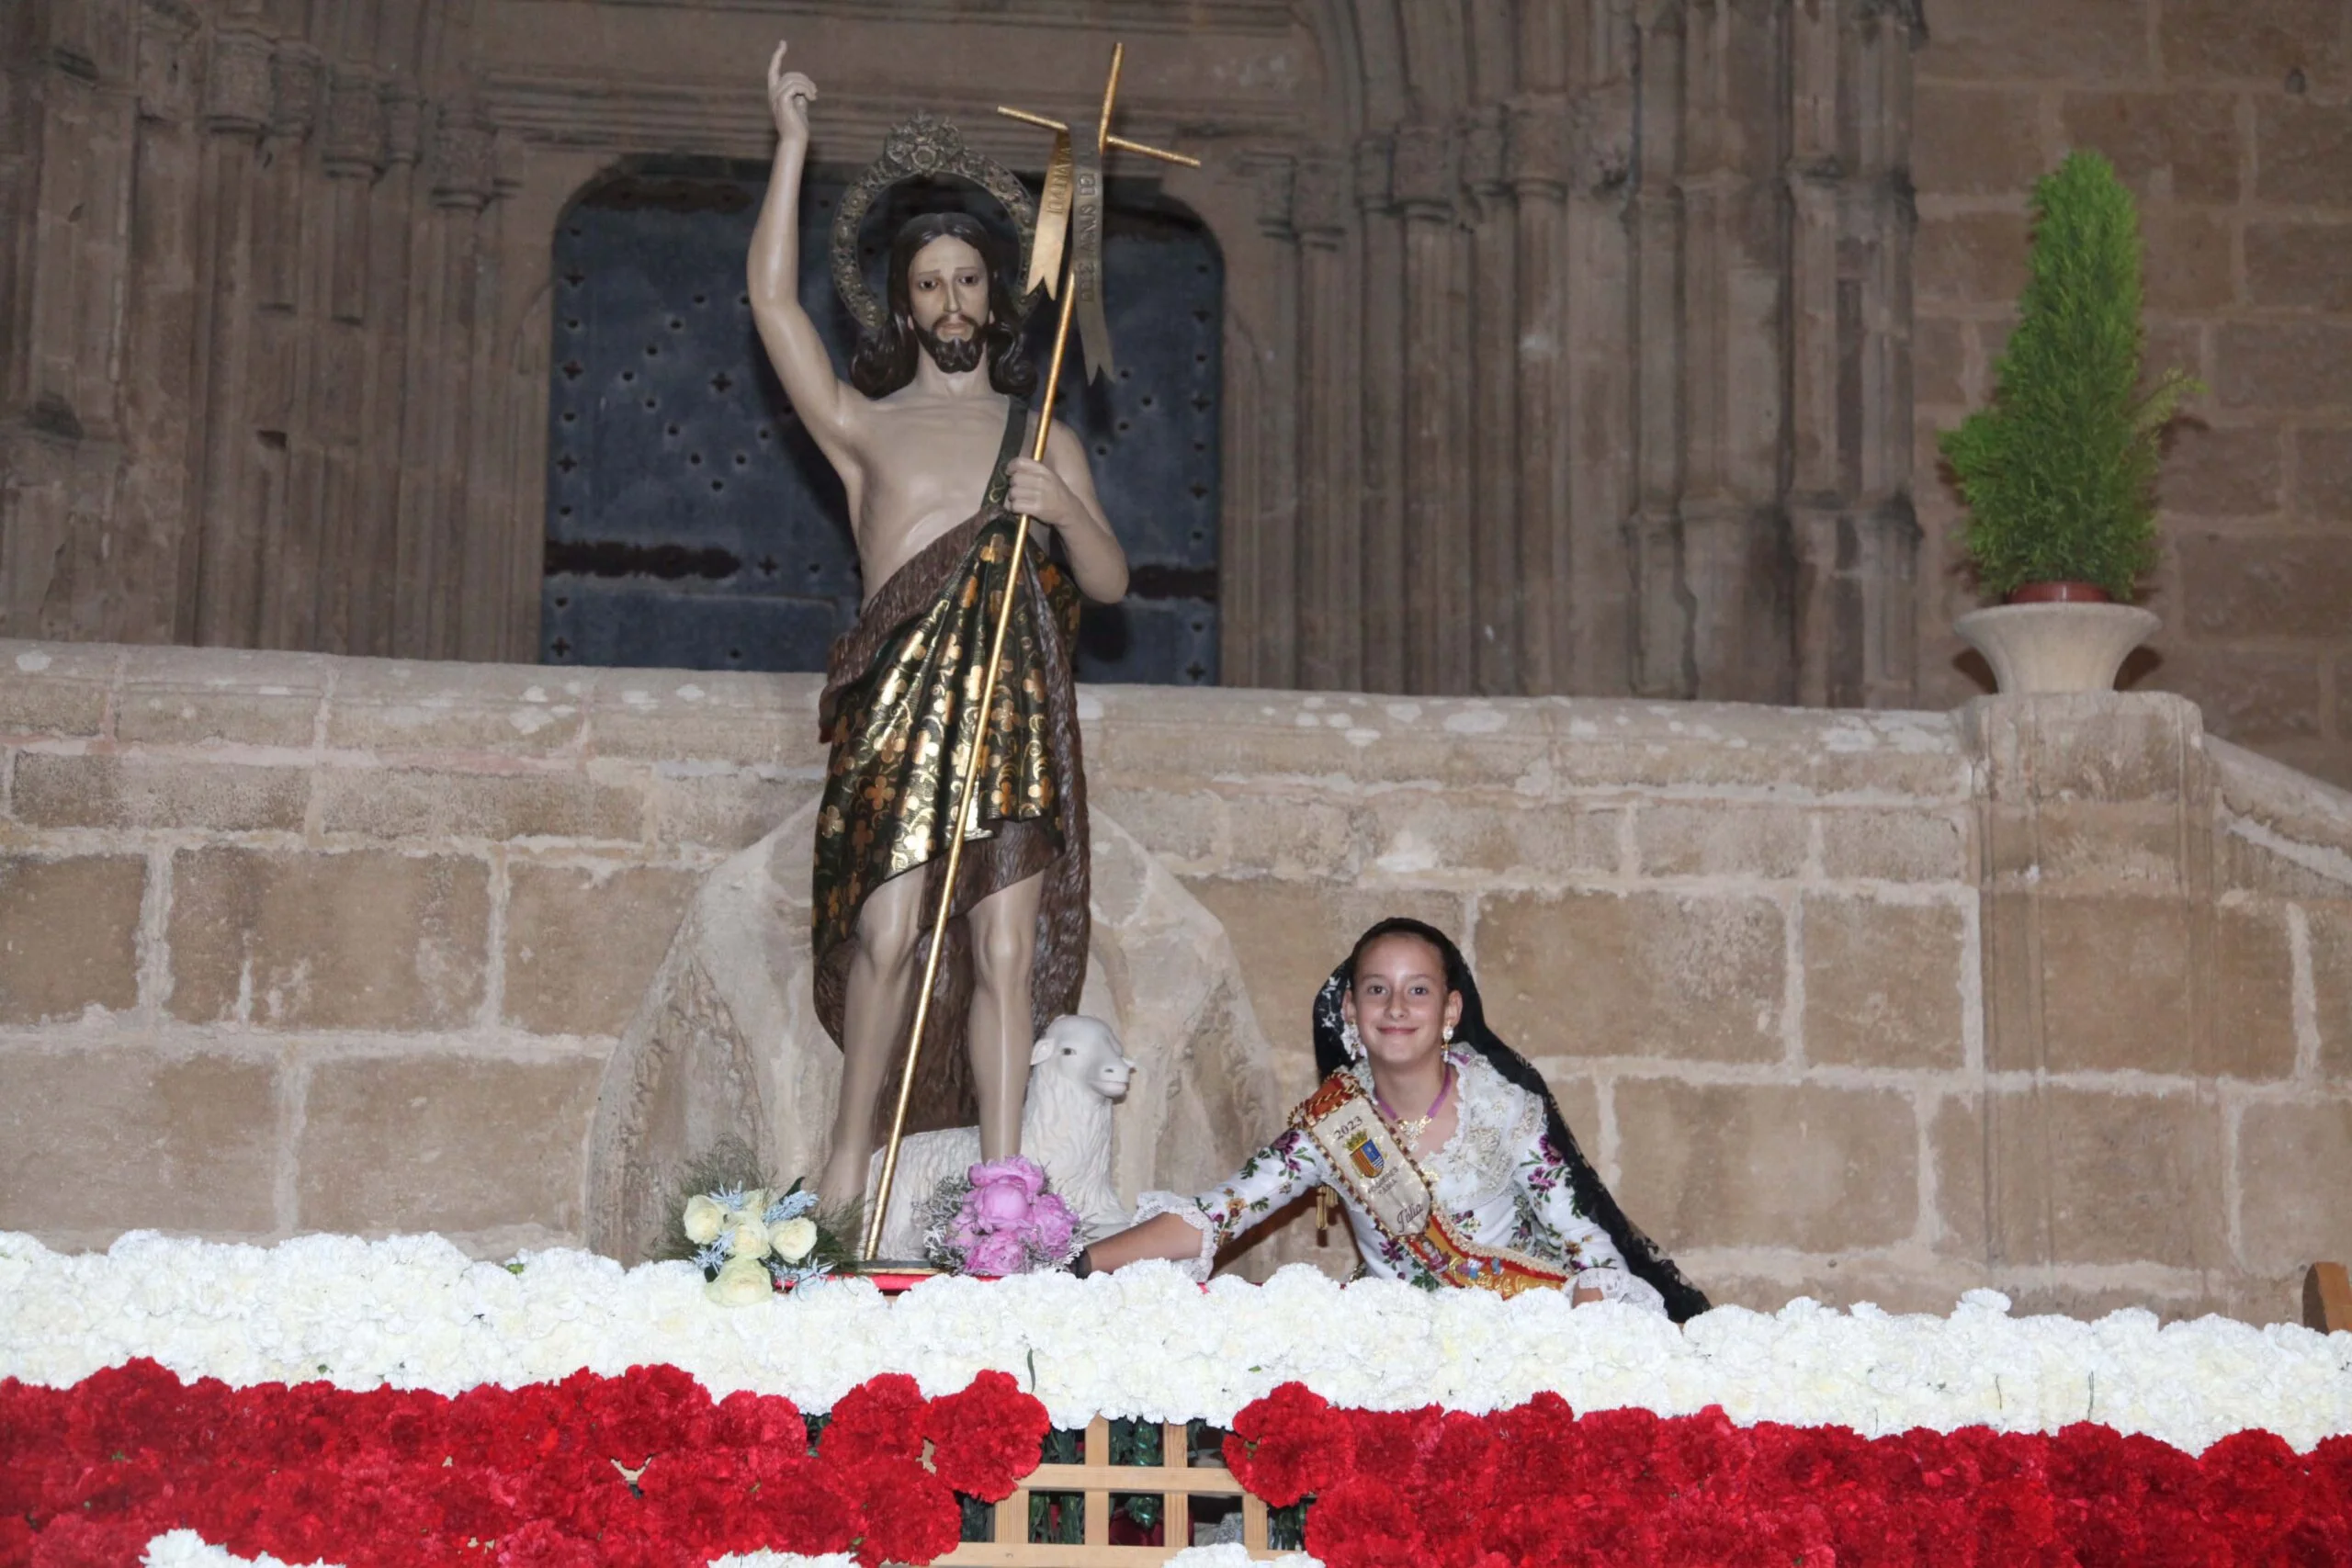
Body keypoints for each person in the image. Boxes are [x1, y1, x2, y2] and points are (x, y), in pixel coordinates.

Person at [747, 43, 1129, 1214]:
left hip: (1011, 707)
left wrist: (1061, 506)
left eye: (970, 281)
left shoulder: (1040, 430)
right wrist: (793, 149)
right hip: (901, 710)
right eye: (929, 284)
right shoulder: (867, 428)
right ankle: (847, 1164)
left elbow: (1108, 584)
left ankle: (1005, 1187)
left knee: (1007, 952)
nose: (952, 303)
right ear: (899, 300)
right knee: (889, 935)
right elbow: (769, 303)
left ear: (996, 294)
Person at [1080, 919, 1711, 1319]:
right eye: (1377, 989)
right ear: (1351, 1009)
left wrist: (1591, 1343)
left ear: (1450, 1008)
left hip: (1517, 1343)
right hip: (1393, 1357)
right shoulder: (1332, 1126)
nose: (1397, 1007)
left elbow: (1584, 1240)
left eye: (1418, 989)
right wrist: (1082, 1262)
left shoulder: (1504, 1107)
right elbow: (1221, 1213)